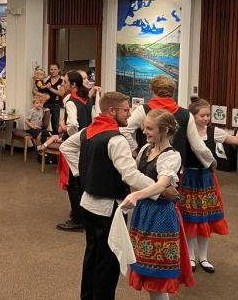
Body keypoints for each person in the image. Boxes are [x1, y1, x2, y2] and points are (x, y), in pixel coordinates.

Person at [60, 92, 178, 300]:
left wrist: (84, 173)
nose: (129, 113)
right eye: (125, 109)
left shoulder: (89, 130)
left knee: (92, 256)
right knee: (108, 262)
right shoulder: (116, 138)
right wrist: (160, 189)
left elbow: (66, 146)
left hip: (87, 203)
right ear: (112, 111)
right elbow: (130, 174)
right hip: (109, 207)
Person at [119, 109, 194, 300]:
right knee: (147, 269)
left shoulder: (171, 156)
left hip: (161, 216)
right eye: (145, 127)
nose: (144, 132)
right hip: (143, 213)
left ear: (165, 129)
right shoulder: (145, 150)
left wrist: (138, 195)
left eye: (150, 128)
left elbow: (161, 183)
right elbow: (137, 177)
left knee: (157, 276)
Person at [183, 99, 232, 273]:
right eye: (202, 115)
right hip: (188, 178)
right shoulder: (185, 132)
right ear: (193, 116)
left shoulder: (214, 131)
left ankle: (203, 257)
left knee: (205, 219)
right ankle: (189, 257)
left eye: (208, 115)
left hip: (206, 179)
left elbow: (234, 140)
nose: (206, 118)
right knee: (190, 219)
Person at [52, 70, 95, 232]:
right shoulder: (88, 100)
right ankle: (84, 214)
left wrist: (65, 132)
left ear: (73, 84)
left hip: (74, 145)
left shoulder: (70, 102)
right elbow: (92, 121)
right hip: (87, 144)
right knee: (82, 180)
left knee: (72, 182)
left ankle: (78, 219)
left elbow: (72, 125)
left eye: (65, 81)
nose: (62, 84)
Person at [37, 62, 64, 135]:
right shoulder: (46, 78)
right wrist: (42, 95)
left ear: (59, 70)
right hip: (45, 104)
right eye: (51, 69)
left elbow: (61, 93)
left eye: (55, 69)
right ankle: (43, 140)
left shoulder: (62, 80)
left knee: (55, 125)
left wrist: (50, 88)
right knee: (42, 123)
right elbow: (35, 89)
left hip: (55, 104)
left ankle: (55, 141)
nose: (53, 71)